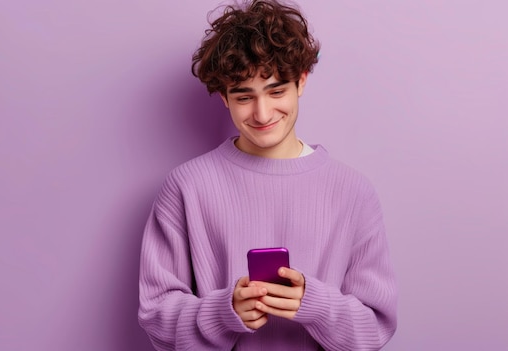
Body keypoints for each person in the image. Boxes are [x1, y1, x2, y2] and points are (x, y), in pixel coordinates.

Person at [138, 0, 397, 350]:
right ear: (223, 97)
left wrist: (316, 305)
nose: (262, 113)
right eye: (244, 96)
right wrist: (224, 312)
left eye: (276, 91)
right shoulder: (187, 186)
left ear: (301, 81)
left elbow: (375, 327)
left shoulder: (353, 191)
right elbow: (156, 315)